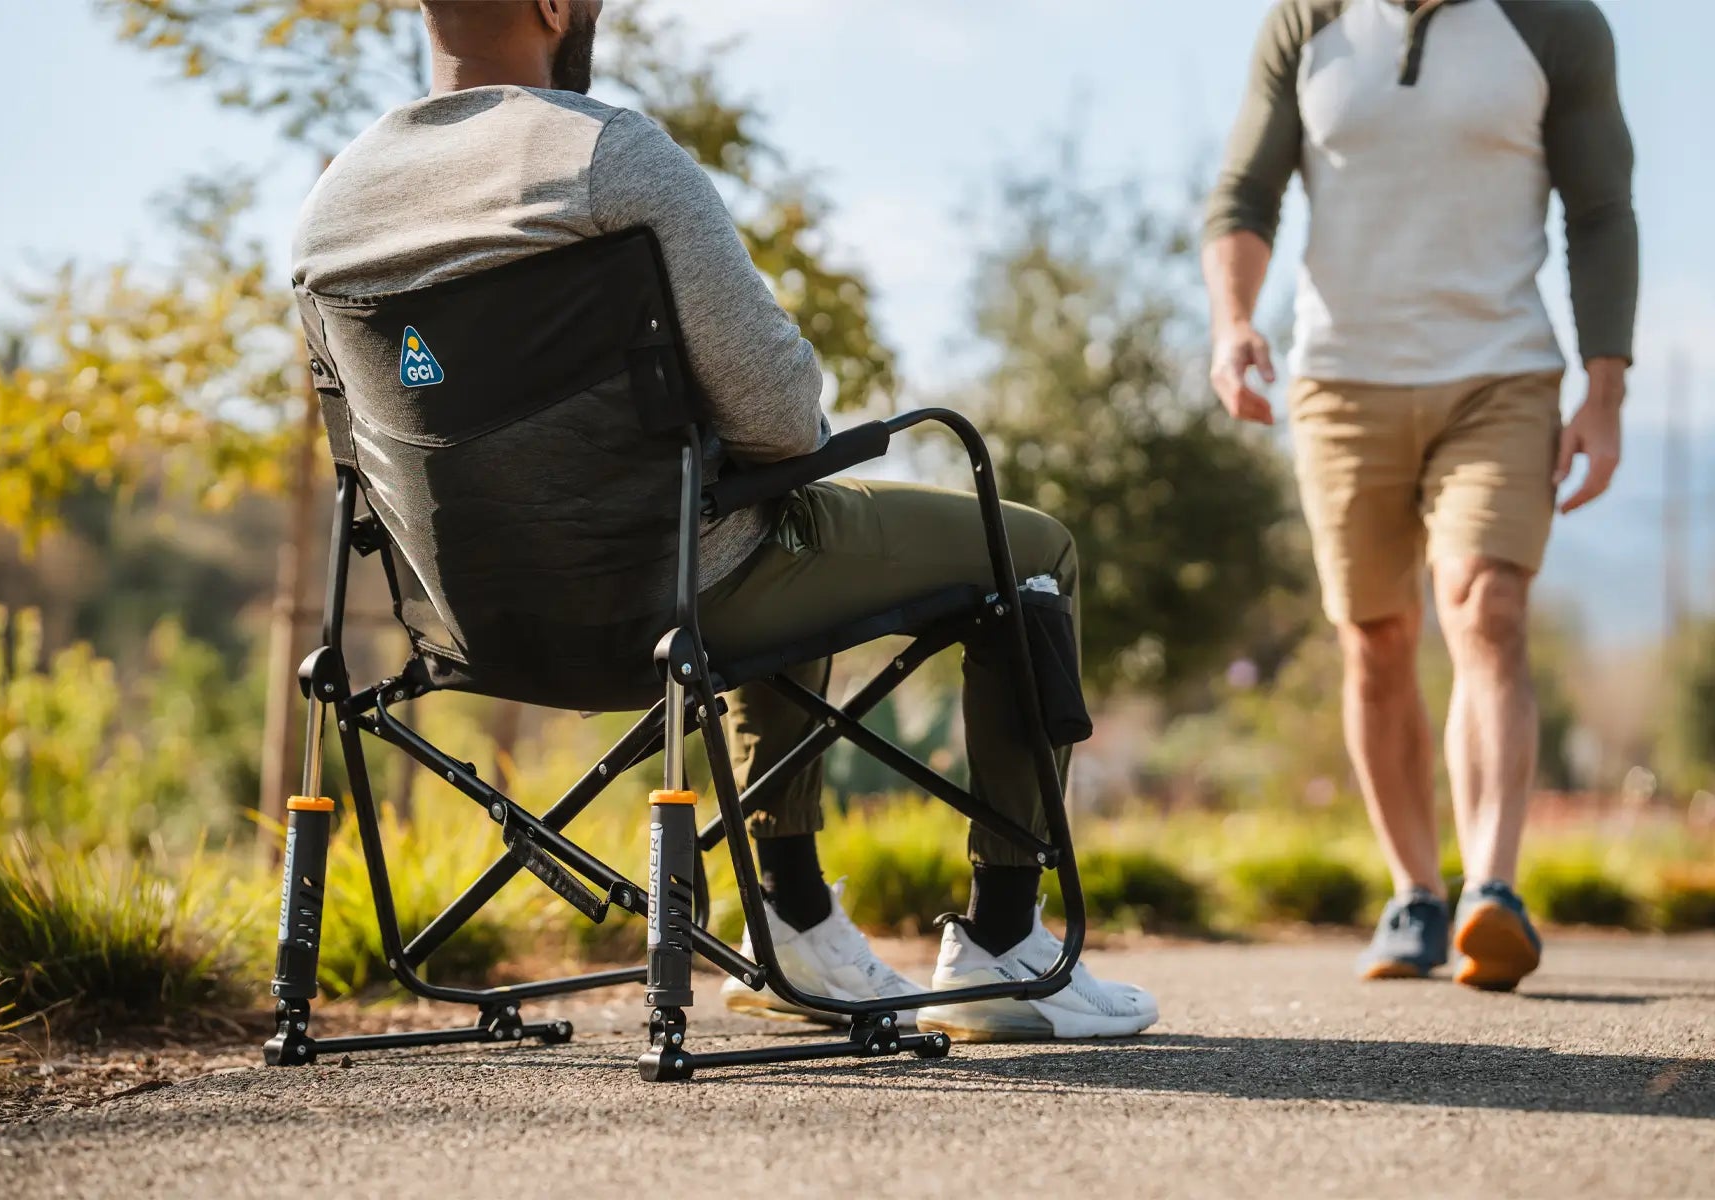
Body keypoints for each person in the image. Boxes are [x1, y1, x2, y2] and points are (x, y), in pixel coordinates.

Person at [291, 0, 1155, 1040]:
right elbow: (784, 418)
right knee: (1030, 547)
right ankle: (1010, 944)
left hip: (472, 626)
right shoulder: (608, 157)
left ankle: (792, 916)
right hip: (677, 598)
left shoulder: (330, 209)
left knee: (765, 522)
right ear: (555, 7)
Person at [1203, 0, 1637, 990]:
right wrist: (1233, 323)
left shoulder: (1557, 24)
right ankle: (1416, 896)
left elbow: (1603, 210)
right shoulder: (1306, 24)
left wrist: (1603, 391)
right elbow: (1244, 194)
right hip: (1340, 382)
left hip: (1501, 373)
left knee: (1488, 604)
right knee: (1377, 637)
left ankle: (1493, 890)